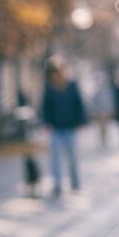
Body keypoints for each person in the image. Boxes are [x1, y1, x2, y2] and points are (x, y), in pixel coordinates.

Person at [41, 58, 86, 197]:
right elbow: (45, 107)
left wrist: (80, 121)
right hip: (56, 128)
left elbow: (78, 104)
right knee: (55, 159)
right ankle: (58, 185)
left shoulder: (71, 85)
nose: (57, 74)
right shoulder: (49, 88)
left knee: (72, 156)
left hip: (70, 127)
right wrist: (47, 122)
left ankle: (75, 183)